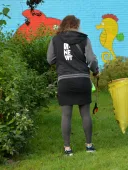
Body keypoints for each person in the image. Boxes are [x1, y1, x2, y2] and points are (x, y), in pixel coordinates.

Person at [47, 15, 99, 156]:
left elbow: (50, 59)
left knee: (66, 115)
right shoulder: (84, 39)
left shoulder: (55, 39)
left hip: (64, 80)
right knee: (86, 114)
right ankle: (89, 146)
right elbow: (91, 59)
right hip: (82, 80)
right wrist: (95, 70)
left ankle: (67, 149)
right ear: (76, 25)